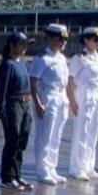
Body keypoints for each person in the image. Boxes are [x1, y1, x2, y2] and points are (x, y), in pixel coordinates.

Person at [29, 23, 71, 185]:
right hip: (48, 96)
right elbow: (33, 82)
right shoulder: (42, 58)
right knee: (44, 135)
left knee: (57, 135)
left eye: (65, 39)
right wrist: (38, 103)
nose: (63, 42)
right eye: (60, 39)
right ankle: (42, 169)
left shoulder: (61, 58)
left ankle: (52, 167)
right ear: (50, 39)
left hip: (61, 97)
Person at [0, 31, 34, 192]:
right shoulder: (7, 64)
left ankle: (17, 174)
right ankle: (7, 176)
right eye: (22, 44)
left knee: (22, 140)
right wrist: (2, 110)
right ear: (12, 45)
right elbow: (2, 90)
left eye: (26, 45)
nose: (25, 47)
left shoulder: (23, 63)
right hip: (13, 105)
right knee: (12, 140)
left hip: (26, 104)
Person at [67, 26, 98, 182]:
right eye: (95, 39)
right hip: (85, 94)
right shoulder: (79, 58)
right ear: (86, 40)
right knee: (81, 131)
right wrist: (72, 102)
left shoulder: (97, 56)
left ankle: (89, 166)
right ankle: (77, 168)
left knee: (93, 132)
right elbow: (69, 82)